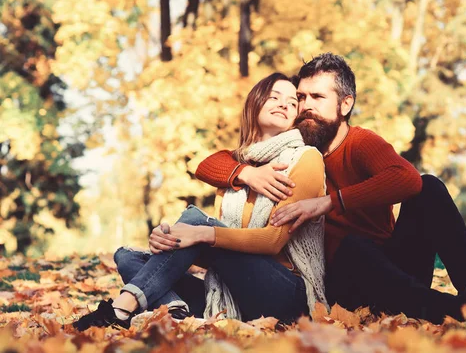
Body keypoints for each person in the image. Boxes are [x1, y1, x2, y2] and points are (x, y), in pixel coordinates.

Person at [194, 53, 466, 324]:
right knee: (350, 248)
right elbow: (209, 162)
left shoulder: (360, 143)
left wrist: (330, 202)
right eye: (301, 97)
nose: (305, 106)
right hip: (340, 285)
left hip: (395, 267)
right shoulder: (291, 146)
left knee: (430, 188)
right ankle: (455, 310)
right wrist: (245, 172)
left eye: (317, 97)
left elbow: (409, 180)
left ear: (345, 104)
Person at [73, 73, 328, 331]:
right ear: (255, 103)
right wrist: (173, 242)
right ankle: (176, 315)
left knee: (196, 222)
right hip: (237, 294)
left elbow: (273, 241)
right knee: (127, 257)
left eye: (292, 102)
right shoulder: (238, 167)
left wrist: (201, 234)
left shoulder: (305, 158)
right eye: (274, 97)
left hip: (287, 296)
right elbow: (203, 167)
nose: (284, 104)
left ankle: (120, 309)